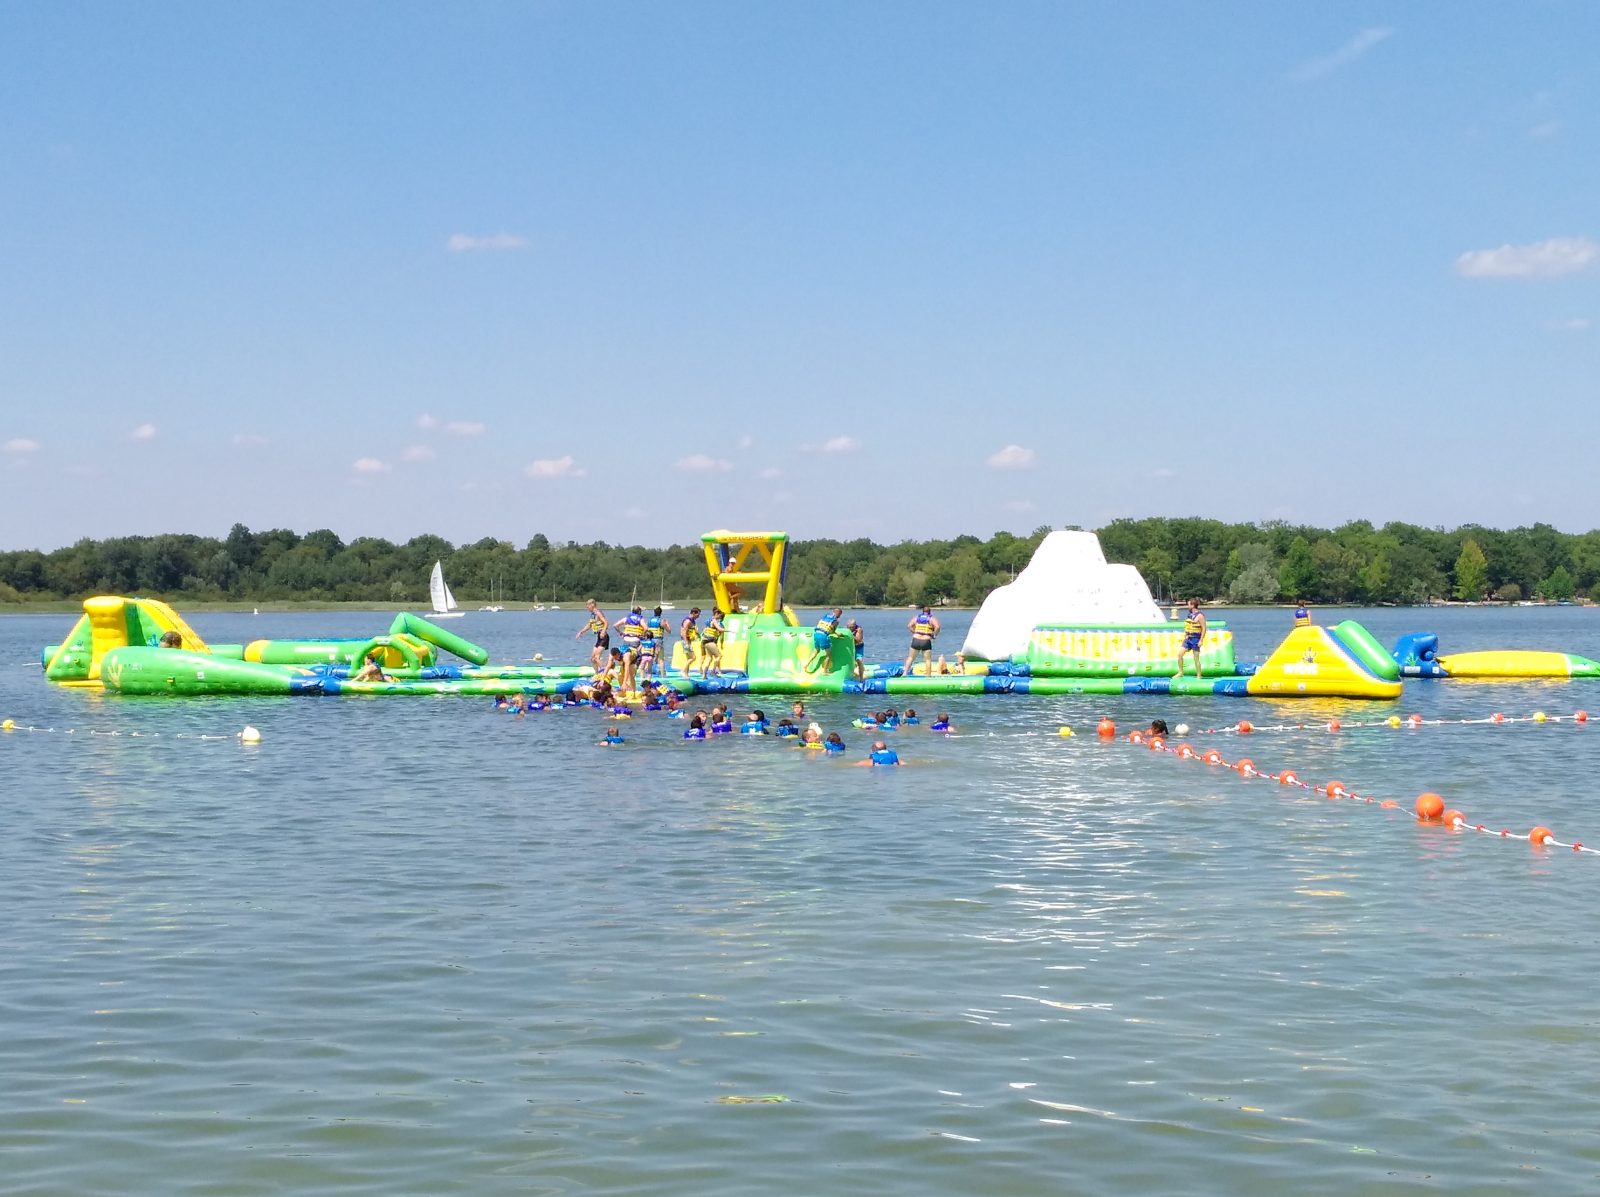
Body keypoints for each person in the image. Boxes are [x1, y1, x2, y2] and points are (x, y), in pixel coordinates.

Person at [903, 605, 941, 677]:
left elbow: (909, 626)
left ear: (922, 611)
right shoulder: (931, 618)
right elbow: (937, 627)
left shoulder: (917, 617)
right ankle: (928, 676)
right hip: (926, 640)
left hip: (916, 639)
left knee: (910, 658)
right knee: (927, 660)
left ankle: (904, 673)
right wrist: (934, 635)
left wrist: (914, 632)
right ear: (929, 612)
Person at [1174, 598, 1206, 680]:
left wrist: (1201, 640)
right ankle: (1180, 672)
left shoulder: (1200, 616)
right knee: (1180, 654)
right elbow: (1188, 625)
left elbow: (1204, 628)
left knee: (1196, 658)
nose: (1187, 606)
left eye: (1188, 604)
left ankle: (1199, 675)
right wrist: (1186, 634)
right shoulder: (1190, 615)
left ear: (1193, 605)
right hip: (1188, 639)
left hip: (1196, 639)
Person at [804, 608, 843, 673]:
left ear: (833, 612)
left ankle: (806, 664)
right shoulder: (836, 621)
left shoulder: (826, 616)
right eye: (840, 614)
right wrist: (838, 635)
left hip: (816, 633)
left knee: (816, 651)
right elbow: (832, 631)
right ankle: (825, 671)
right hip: (823, 636)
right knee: (829, 655)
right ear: (839, 614)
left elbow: (822, 625)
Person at [576, 600, 610, 670]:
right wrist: (581, 632)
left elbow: (606, 622)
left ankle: (604, 672)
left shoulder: (598, 613)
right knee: (593, 659)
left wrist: (603, 631)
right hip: (599, 637)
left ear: (592, 605)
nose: (587, 607)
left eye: (588, 606)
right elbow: (589, 625)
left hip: (604, 637)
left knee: (597, 657)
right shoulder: (592, 614)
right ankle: (597, 673)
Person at [699, 609, 725, 678]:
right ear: (717, 614)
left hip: (704, 641)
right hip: (711, 641)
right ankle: (714, 671)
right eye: (719, 616)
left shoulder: (708, 621)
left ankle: (704, 674)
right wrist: (729, 630)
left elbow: (704, 631)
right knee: (719, 656)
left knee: (708, 658)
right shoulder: (717, 623)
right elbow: (721, 633)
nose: (720, 617)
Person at [679, 607, 702, 672]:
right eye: (698, 615)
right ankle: (683, 671)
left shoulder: (692, 621)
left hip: (689, 640)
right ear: (693, 613)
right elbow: (684, 632)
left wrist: (697, 634)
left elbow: (692, 631)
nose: (698, 616)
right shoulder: (688, 621)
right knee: (693, 657)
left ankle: (686, 673)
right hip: (686, 641)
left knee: (689, 658)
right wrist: (686, 643)